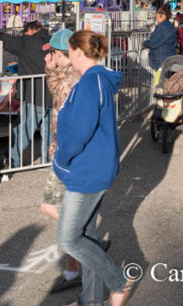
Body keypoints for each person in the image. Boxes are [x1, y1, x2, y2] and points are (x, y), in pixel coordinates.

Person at [54, 30, 133, 306]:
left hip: (87, 171)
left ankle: (118, 281)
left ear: (77, 51)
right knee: (87, 235)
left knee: (69, 238)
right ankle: (90, 299)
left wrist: (62, 159)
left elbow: (79, 130)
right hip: (93, 166)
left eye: (70, 51)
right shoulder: (97, 79)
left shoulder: (90, 83)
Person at [40, 29, 88, 296]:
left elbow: (67, 117)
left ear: (62, 53)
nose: (51, 57)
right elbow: (57, 94)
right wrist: (50, 72)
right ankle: (74, 266)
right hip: (68, 153)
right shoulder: (72, 76)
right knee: (62, 208)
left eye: (53, 54)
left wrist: (63, 153)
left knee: (53, 207)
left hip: (66, 154)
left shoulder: (72, 80)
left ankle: (83, 245)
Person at [0, 20, 52, 168]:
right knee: (47, 129)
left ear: (30, 31)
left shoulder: (28, 43)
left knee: (25, 127)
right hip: (51, 93)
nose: (23, 35)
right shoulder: (50, 41)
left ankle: (12, 159)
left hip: (34, 94)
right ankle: (46, 160)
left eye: (25, 32)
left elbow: (8, 40)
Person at [143, 5, 177, 71]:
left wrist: (144, 43)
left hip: (161, 59)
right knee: (163, 79)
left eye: (157, 16)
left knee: (160, 80)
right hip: (167, 58)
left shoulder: (162, 27)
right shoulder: (170, 26)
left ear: (163, 16)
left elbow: (154, 42)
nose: (156, 18)